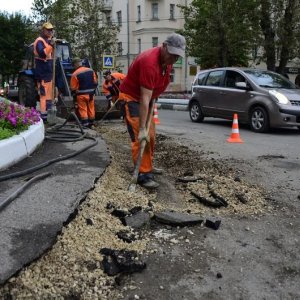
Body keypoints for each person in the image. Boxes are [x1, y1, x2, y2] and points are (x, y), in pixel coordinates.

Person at [119, 32, 186, 189]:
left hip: (147, 99)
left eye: (178, 56)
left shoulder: (167, 61)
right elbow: (144, 98)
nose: (174, 59)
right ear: (163, 46)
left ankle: (147, 164)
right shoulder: (150, 62)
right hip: (132, 98)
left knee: (151, 136)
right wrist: (142, 127)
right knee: (140, 135)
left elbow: (153, 90)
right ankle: (143, 173)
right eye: (172, 55)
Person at [33, 22, 56, 122]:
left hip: (48, 72)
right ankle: (43, 118)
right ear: (43, 30)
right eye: (48, 30)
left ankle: (48, 117)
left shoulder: (47, 41)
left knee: (49, 97)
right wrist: (51, 45)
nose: (50, 31)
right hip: (42, 72)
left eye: (51, 30)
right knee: (43, 96)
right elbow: (42, 54)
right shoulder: (39, 41)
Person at [70, 58, 98, 128]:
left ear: (75, 64)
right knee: (91, 108)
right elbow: (95, 82)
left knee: (83, 109)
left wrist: (74, 98)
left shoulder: (75, 74)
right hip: (91, 94)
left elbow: (73, 88)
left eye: (73, 65)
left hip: (81, 95)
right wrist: (92, 91)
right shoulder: (91, 70)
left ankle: (85, 124)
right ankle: (92, 122)